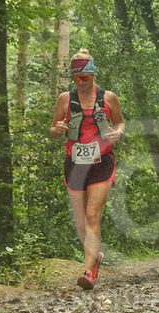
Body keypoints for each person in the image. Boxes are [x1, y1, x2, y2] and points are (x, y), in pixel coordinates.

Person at [50, 49, 125, 290]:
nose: (81, 82)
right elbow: (53, 130)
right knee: (82, 222)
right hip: (75, 165)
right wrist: (58, 129)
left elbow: (120, 122)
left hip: (102, 163)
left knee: (93, 215)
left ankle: (89, 271)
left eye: (85, 77)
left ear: (93, 75)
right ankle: (96, 258)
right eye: (76, 78)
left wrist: (118, 133)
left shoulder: (109, 98)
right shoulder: (65, 99)